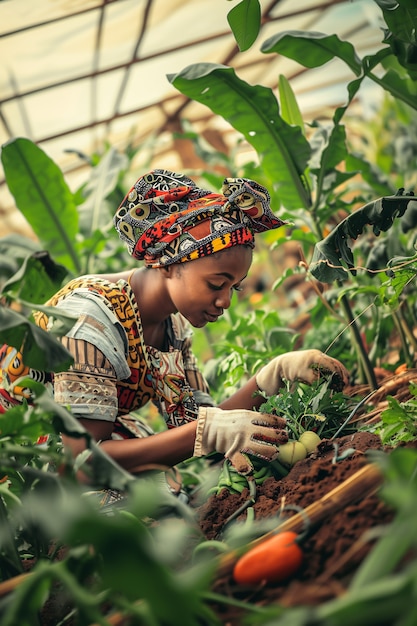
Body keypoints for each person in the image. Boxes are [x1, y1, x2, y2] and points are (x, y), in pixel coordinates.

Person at [0, 169, 349, 496]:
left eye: (235, 288)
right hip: (20, 464)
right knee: (131, 505)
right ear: (168, 264)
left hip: (80, 446)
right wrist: (209, 432)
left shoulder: (173, 324)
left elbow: (198, 422)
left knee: (164, 489)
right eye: (216, 284)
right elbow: (82, 465)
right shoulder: (88, 323)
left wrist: (270, 378)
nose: (225, 300)